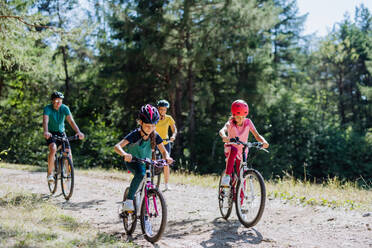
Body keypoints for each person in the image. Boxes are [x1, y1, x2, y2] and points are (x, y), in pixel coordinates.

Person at [114, 104, 173, 211]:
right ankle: (128, 201)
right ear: (140, 122)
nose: (150, 129)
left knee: (149, 182)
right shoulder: (135, 134)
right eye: (147, 126)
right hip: (133, 162)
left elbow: (164, 151)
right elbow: (117, 146)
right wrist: (124, 154)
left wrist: (167, 157)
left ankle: (145, 205)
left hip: (147, 162)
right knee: (140, 174)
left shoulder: (155, 135)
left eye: (152, 126)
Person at [219, 100, 269, 186]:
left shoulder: (248, 122)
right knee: (233, 150)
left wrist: (264, 142)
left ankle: (239, 198)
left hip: (242, 150)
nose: (241, 119)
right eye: (238, 117)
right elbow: (222, 130)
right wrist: (224, 137)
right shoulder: (231, 123)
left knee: (241, 174)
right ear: (233, 115)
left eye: (243, 117)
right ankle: (227, 176)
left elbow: (257, 135)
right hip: (231, 148)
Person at [43, 91, 84, 183]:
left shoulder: (65, 108)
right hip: (51, 133)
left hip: (62, 133)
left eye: (60, 101)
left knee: (68, 152)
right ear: (52, 101)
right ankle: (50, 174)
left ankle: (69, 174)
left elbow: (71, 121)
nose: (58, 103)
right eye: (56, 101)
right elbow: (45, 121)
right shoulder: (47, 108)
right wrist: (46, 131)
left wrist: (78, 132)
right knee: (53, 149)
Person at [155, 99, 177, 191]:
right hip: (155, 142)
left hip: (165, 142)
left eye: (164, 110)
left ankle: (167, 184)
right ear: (158, 109)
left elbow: (174, 129)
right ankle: (151, 181)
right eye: (161, 109)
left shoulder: (169, 118)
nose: (163, 111)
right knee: (153, 161)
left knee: (166, 162)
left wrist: (173, 136)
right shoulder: (155, 118)